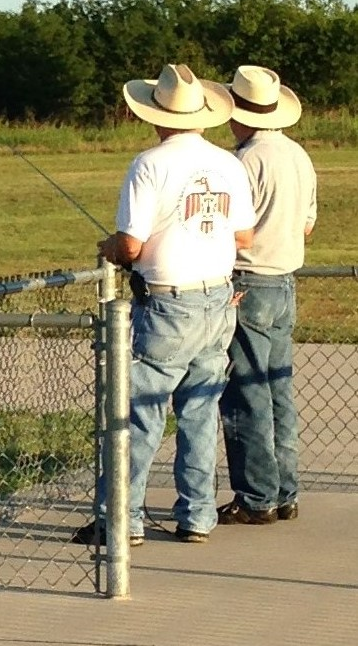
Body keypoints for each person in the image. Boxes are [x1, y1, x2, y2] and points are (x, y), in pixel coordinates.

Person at [72, 63, 256, 546]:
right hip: (218, 298)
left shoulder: (149, 164)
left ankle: (122, 518)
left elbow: (131, 245)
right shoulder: (229, 163)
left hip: (168, 303)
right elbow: (244, 236)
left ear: (156, 115)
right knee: (200, 411)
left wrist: (111, 247)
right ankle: (196, 515)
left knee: (141, 413)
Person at [217, 65, 317, 525]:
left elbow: (233, 230)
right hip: (285, 279)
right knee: (278, 390)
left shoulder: (244, 161)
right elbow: (308, 225)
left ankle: (256, 496)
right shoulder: (298, 154)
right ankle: (284, 491)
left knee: (246, 393)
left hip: (249, 279)